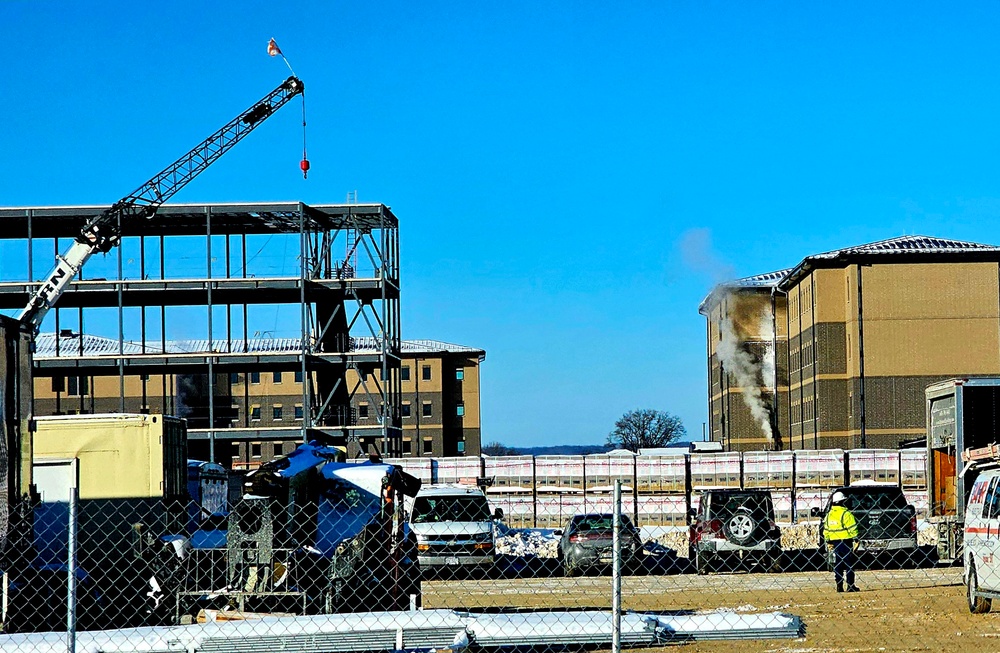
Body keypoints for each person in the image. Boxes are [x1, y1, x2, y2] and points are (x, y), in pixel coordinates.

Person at [823, 491, 860, 592]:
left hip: (835, 542)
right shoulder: (846, 514)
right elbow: (853, 528)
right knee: (849, 563)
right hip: (846, 541)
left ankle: (839, 586)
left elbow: (826, 530)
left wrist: (828, 541)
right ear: (842, 502)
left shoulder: (829, 515)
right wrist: (856, 538)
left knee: (838, 563)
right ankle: (850, 585)